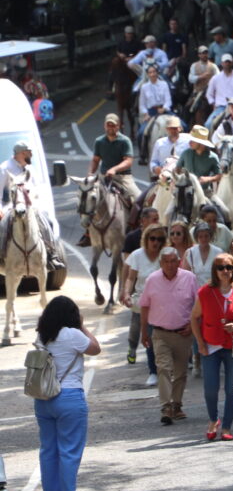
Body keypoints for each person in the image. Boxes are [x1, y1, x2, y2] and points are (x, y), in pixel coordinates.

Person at [33, 296, 101, 491]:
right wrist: (82, 325)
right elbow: (95, 348)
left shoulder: (42, 336)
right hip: (70, 396)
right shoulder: (73, 335)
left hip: (43, 398)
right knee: (70, 450)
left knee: (48, 450)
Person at [190, 252, 233, 440]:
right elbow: (194, 318)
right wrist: (200, 344)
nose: (225, 271)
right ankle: (213, 419)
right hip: (211, 344)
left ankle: (226, 426)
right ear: (214, 271)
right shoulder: (205, 292)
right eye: (221, 267)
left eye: (229, 267)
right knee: (211, 387)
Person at [140, 248, 199, 425]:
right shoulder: (152, 280)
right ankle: (166, 406)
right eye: (166, 261)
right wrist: (144, 332)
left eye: (174, 261)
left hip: (183, 333)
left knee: (180, 372)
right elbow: (144, 306)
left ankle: (177, 405)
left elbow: (198, 305)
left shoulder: (190, 278)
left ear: (179, 261)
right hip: (160, 333)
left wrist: (192, 326)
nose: (170, 265)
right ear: (161, 263)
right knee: (163, 368)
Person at [0, 141, 62, 269]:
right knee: (3, 227)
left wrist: (38, 204)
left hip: (30, 206)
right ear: (22, 153)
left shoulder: (30, 168)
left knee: (48, 221)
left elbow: (38, 188)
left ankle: (52, 254)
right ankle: (2, 256)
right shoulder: (4, 168)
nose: (32, 154)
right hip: (10, 206)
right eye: (30, 152)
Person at [80, 114, 139, 247]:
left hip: (123, 177)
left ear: (119, 126)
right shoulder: (99, 141)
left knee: (138, 198)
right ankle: (88, 232)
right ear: (105, 126)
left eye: (113, 125)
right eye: (108, 125)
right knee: (87, 197)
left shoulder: (125, 141)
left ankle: (136, 229)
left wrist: (115, 169)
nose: (110, 127)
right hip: (103, 177)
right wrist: (90, 173)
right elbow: (96, 159)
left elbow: (128, 161)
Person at [121, 223, 167, 385]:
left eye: (160, 239)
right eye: (152, 238)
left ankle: (167, 369)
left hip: (164, 303)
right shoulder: (137, 255)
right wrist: (126, 292)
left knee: (165, 338)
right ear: (146, 239)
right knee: (149, 335)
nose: (156, 242)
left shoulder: (166, 255)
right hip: (145, 303)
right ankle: (153, 371)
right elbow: (131, 278)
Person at [137, 65, 173, 161]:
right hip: (151, 112)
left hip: (164, 110)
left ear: (157, 73)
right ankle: (143, 155)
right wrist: (145, 113)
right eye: (150, 72)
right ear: (148, 74)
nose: (153, 74)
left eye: (154, 72)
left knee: (183, 125)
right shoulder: (144, 87)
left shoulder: (164, 84)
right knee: (141, 132)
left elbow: (168, 100)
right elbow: (142, 104)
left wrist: (164, 108)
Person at [175, 125, 222, 193]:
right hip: (186, 191)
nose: (190, 143)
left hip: (204, 192)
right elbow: (177, 169)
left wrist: (208, 179)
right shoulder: (186, 153)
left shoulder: (213, 157)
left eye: (193, 141)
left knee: (219, 204)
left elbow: (220, 176)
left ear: (201, 144)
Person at [206, 53, 233, 127]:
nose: (227, 64)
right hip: (221, 107)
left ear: (232, 63)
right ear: (222, 63)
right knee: (208, 124)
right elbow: (209, 94)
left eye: (229, 62)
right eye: (225, 62)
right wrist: (213, 104)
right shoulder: (215, 78)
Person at [184, 223, 223, 289]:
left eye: (206, 236)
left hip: (214, 290)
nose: (203, 239)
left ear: (210, 236)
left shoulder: (218, 252)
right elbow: (185, 275)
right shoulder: (190, 253)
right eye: (200, 236)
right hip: (195, 292)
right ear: (196, 238)